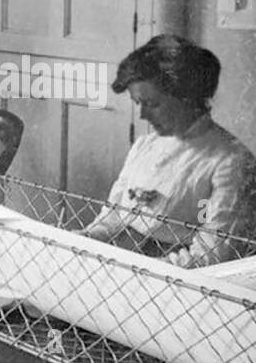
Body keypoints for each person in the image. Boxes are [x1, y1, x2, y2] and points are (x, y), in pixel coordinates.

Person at [80, 35, 256, 268]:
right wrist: (86, 239)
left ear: (188, 97)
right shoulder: (144, 146)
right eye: (138, 103)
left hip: (174, 279)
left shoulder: (230, 161)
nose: (143, 115)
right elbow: (113, 217)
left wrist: (140, 272)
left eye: (152, 104)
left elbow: (211, 256)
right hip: (122, 267)